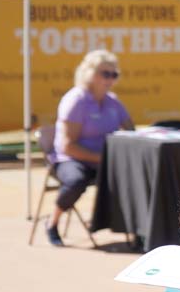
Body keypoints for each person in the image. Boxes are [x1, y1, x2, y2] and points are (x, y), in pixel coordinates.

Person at [46, 49, 133, 247]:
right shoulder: (76, 100)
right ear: (90, 73)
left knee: (134, 174)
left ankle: (135, 229)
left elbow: (131, 131)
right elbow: (68, 146)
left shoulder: (113, 102)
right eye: (105, 73)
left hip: (103, 161)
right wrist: (102, 158)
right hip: (69, 160)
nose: (110, 79)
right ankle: (52, 223)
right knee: (76, 180)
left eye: (114, 74)